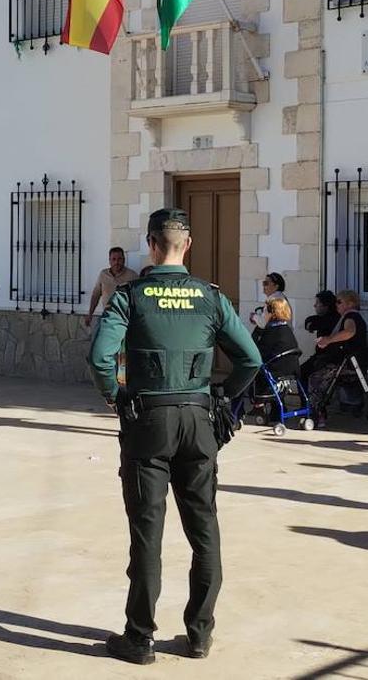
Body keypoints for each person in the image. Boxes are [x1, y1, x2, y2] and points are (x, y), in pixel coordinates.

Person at [89, 208, 261, 666]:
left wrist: (116, 396)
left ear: (150, 244)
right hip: (199, 420)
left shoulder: (131, 296)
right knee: (204, 530)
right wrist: (224, 398)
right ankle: (200, 634)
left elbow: (100, 357)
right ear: (189, 245)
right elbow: (250, 359)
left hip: (148, 422)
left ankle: (139, 637)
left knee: (148, 533)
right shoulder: (210, 296)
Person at [308, 289, 368, 426]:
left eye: (339, 302)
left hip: (349, 363)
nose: (336, 305)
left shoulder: (351, 316)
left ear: (351, 303)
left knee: (315, 379)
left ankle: (317, 414)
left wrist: (328, 340)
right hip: (351, 362)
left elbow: (350, 331)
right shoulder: (352, 317)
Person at [85, 247, 137, 326]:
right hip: (107, 318)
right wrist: (90, 314)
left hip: (126, 320)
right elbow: (95, 295)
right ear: (109, 260)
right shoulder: (103, 274)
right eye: (113, 259)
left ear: (124, 259)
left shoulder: (132, 276)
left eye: (119, 259)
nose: (116, 262)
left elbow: (138, 299)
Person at [300, 291, 340, 386]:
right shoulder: (325, 317)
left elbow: (315, 323)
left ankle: (308, 400)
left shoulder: (332, 319)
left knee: (302, 373)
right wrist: (309, 324)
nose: (315, 305)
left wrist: (311, 325)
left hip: (329, 358)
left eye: (318, 303)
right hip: (322, 356)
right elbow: (310, 320)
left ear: (326, 306)